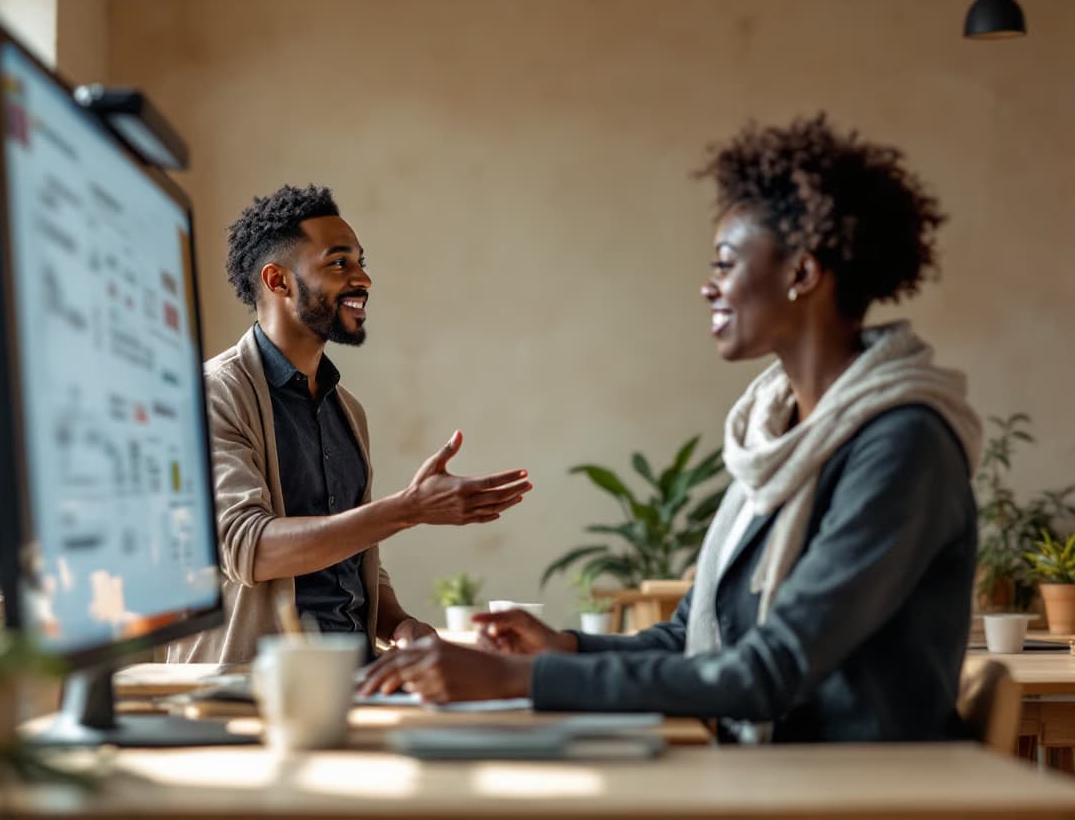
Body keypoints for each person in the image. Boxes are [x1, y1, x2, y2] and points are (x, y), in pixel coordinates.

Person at [358, 114, 983, 743]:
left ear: (801, 274)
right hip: (771, 771)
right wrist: (562, 651)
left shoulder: (903, 446)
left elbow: (770, 672)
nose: (709, 286)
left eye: (726, 263)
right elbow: (694, 639)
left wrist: (520, 682)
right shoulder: (777, 436)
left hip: (865, 791)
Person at [169, 184, 531, 664]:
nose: (362, 279)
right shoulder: (215, 393)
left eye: (361, 262)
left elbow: (354, 559)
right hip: (256, 693)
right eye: (339, 263)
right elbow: (250, 549)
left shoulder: (347, 409)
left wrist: (401, 625)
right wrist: (408, 509)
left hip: (356, 679)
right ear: (278, 281)